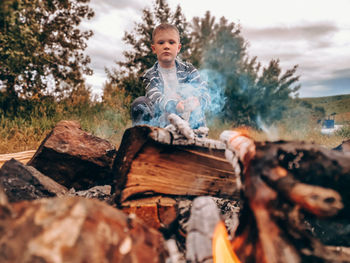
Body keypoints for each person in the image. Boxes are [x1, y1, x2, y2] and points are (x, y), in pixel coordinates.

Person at [131, 23, 210, 129]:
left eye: (171, 42)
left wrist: (197, 101)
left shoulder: (189, 70)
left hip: (190, 123)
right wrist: (174, 105)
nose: (166, 46)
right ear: (154, 49)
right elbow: (155, 97)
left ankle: (197, 138)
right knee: (139, 103)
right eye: (161, 42)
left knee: (198, 102)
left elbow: (204, 92)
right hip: (161, 123)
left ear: (178, 48)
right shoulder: (150, 75)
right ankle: (143, 139)